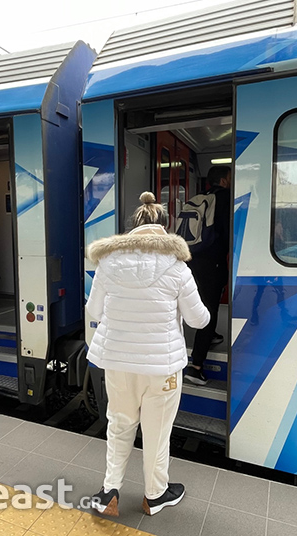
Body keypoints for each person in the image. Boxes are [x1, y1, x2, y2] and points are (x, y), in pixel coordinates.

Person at [86, 192, 210, 517]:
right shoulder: (177, 267)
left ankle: (109, 492)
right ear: (164, 228)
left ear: (133, 227)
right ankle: (155, 495)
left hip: (118, 364)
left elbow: (93, 311)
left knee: (119, 424)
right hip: (162, 368)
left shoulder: (109, 263)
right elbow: (198, 320)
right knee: (157, 433)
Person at [184, 165, 231, 386]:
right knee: (209, 309)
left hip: (193, 260)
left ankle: (210, 335)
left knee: (203, 302)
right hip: (212, 263)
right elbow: (229, 233)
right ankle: (196, 367)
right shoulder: (224, 198)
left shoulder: (199, 198)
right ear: (223, 181)